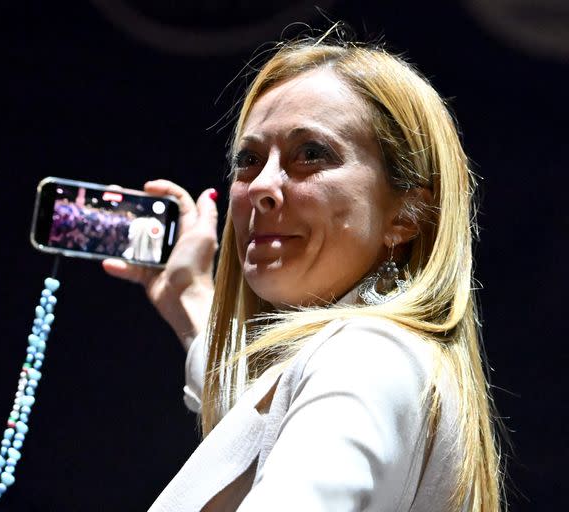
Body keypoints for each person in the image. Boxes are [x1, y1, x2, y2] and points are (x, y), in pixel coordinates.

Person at [104, 34, 503, 511]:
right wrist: (188, 295)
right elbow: (257, 427)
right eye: (249, 160)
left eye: (310, 154)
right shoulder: (373, 362)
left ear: (407, 215)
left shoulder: (363, 357)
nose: (262, 187)